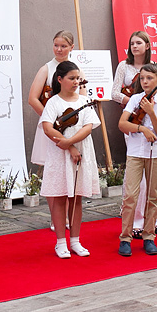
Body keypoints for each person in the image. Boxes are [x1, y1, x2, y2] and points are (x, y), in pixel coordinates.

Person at [39, 61, 99, 258]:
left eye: (77, 79)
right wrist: (69, 146)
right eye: (71, 78)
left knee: (77, 197)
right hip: (60, 153)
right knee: (60, 197)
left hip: (80, 152)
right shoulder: (53, 102)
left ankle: (75, 241)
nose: (76, 82)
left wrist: (72, 143)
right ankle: (60, 242)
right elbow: (48, 128)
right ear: (60, 79)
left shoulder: (84, 101)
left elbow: (88, 126)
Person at [118, 63, 157, 256]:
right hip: (135, 152)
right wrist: (141, 128)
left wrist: (150, 112)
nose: (145, 82)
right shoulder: (134, 99)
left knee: (153, 195)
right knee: (130, 195)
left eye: (149, 78)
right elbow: (122, 124)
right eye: (142, 78)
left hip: (156, 153)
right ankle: (125, 237)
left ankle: (149, 235)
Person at [110, 30, 157, 239]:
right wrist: (133, 102)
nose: (134, 46)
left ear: (147, 45)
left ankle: (151, 221)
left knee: (152, 178)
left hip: (152, 119)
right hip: (133, 120)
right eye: (132, 43)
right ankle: (135, 220)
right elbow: (113, 92)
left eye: (139, 43)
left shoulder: (154, 68)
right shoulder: (124, 66)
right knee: (136, 177)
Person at [28, 30, 76, 168]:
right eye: (56, 45)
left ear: (72, 47)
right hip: (51, 124)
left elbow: (82, 97)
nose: (59, 50)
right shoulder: (46, 69)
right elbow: (33, 99)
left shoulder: (77, 69)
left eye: (63, 46)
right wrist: (50, 120)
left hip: (72, 123)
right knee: (52, 166)